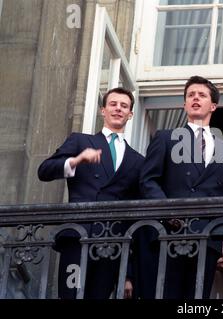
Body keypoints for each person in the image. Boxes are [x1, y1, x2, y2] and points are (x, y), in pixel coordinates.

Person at [136, 75, 223, 299]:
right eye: (190, 95)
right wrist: (168, 213)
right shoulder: (165, 138)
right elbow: (148, 180)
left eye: (201, 95)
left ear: (213, 105)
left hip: (208, 240)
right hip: (168, 235)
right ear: (184, 104)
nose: (195, 98)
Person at [38, 87, 144, 299]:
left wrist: (129, 273)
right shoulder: (81, 141)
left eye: (124, 106)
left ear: (130, 114)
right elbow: (44, 170)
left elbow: (134, 219)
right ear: (103, 110)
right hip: (78, 237)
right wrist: (76, 161)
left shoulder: (137, 160)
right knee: (71, 296)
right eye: (113, 104)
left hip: (111, 246)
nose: (118, 109)